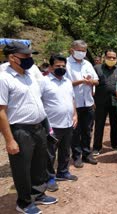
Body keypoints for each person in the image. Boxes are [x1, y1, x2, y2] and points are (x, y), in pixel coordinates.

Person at [0, 41, 57, 214]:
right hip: (20, 130)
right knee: (22, 167)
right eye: (25, 56)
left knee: (39, 163)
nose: (30, 59)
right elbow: (1, 111)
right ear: (12, 57)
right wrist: (9, 140)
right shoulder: (4, 78)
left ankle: (38, 194)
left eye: (30, 55)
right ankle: (24, 202)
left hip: (38, 127)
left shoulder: (29, 75)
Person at [41, 55, 78, 192]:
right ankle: (49, 178)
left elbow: (72, 99)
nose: (61, 68)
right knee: (49, 153)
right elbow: (38, 101)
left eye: (63, 66)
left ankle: (62, 172)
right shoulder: (43, 82)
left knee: (65, 150)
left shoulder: (68, 82)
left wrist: (75, 114)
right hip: (52, 125)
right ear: (51, 67)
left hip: (68, 123)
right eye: (58, 66)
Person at [65, 40, 99, 168]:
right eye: (79, 50)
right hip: (74, 104)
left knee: (87, 130)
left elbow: (97, 81)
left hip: (88, 102)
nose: (82, 53)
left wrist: (91, 82)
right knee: (75, 131)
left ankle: (87, 154)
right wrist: (80, 81)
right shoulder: (66, 64)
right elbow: (64, 83)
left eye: (84, 51)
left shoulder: (88, 64)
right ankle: (76, 156)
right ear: (72, 50)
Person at [92, 49, 117, 155]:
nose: (111, 59)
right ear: (104, 58)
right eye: (109, 57)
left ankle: (115, 145)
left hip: (116, 101)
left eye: (113, 58)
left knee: (115, 124)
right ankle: (97, 147)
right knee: (99, 124)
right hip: (100, 101)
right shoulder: (97, 68)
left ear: (116, 59)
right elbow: (92, 85)